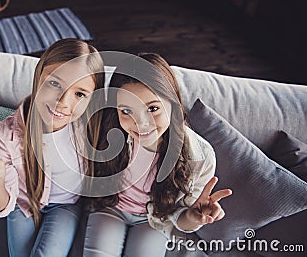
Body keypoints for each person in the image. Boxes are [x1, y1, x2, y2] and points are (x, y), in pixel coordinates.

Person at [83, 53, 232, 257]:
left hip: (154, 221)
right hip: (111, 209)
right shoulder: (108, 132)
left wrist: (194, 216)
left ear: (173, 103)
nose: (141, 123)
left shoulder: (200, 157)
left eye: (152, 108)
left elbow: (180, 218)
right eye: (126, 111)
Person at [0, 38, 105, 257]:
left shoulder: (92, 124)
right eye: (54, 83)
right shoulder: (7, 134)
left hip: (65, 205)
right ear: (38, 76)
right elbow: (2, 204)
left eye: (79, 94)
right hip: (24, 203)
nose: (63, 101)